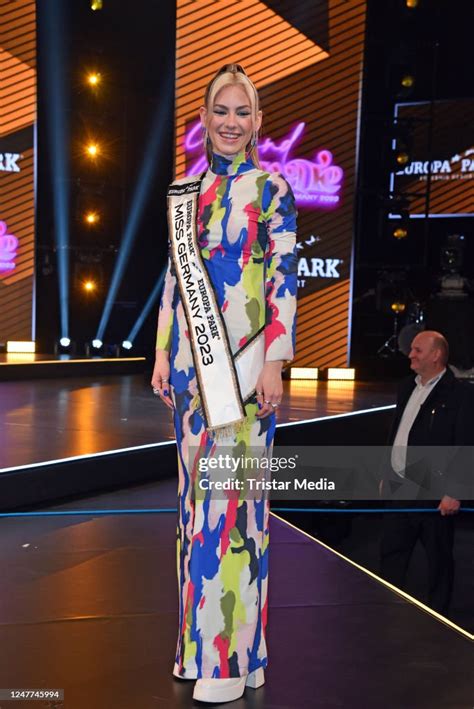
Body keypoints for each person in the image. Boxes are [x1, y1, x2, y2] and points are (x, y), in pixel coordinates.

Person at [151, 64, 297, 704]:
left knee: (234, 512)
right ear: (205, 118)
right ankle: (202, 649)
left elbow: (284, 280)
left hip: (241, 368)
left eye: (243, 112)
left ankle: (229, 663)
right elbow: (172, 284)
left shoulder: (273, 189)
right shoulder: (184, 193)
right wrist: (161, 353)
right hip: (189, 370)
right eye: (221, 110)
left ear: (258, 121)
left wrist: (275, 358)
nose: (231, 122)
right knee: (194, 513)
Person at [380, 330, 474, 615]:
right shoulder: (406, 387)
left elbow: (465, 443)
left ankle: (439, 618)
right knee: (391, 555)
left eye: (417, 350)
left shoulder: (461, 394)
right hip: (400, 488)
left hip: (435, 493)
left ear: (436, 355)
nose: (410, 354)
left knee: (438, 560)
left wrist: (455, 490)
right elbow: (396, 431)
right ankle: (385, 609)